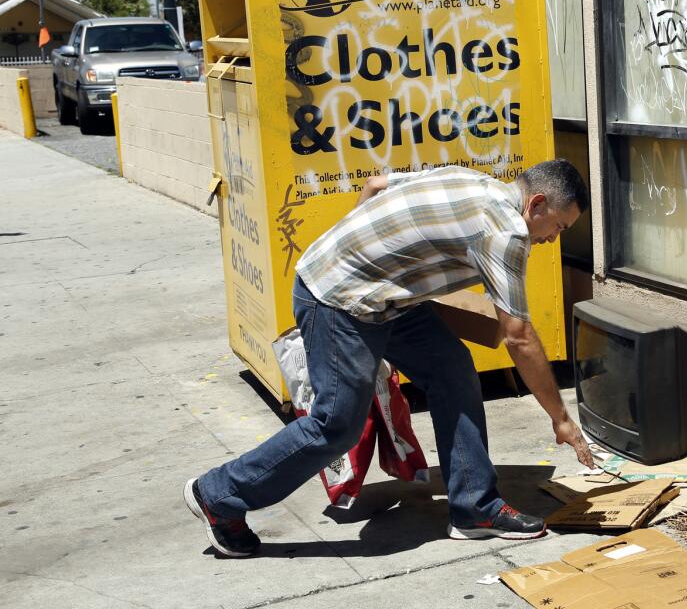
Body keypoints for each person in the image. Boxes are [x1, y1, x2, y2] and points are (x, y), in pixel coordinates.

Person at [184, 159, 595, 557]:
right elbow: (519, 337)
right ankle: (220, 495)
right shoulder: (506, 232)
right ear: (536, 204)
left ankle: (474, 508)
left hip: (386, 299)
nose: (552, 239)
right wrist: (560, 418)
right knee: (336, 425)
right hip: (339, 301)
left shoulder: (473, 180)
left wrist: (363, 254)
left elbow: (377, 186)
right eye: (557, 227)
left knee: (451, 371)